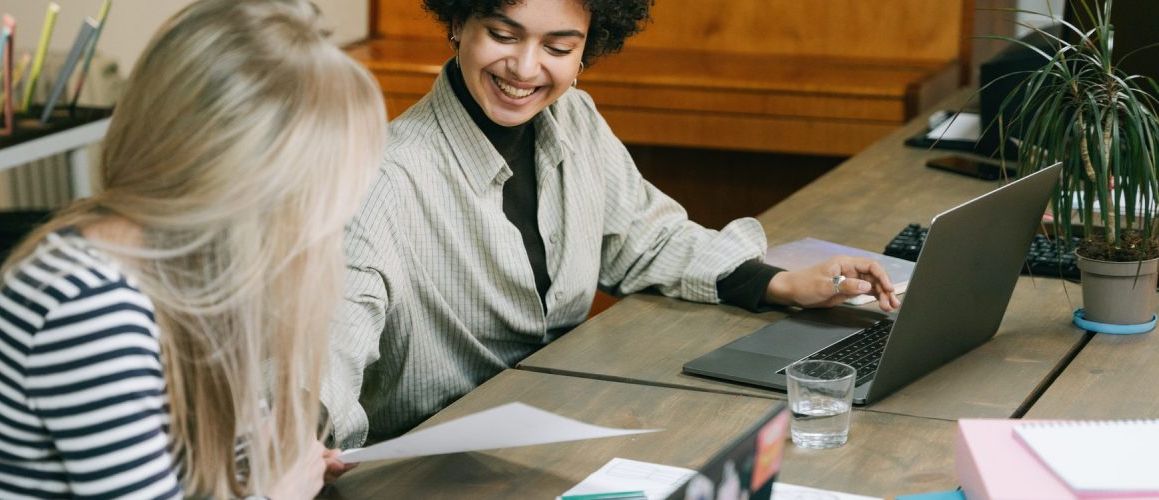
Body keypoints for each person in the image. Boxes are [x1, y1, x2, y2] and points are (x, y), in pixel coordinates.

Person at [322, 0, 900, 450]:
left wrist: (775, 282)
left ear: (586, 50)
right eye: (503, 34)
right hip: (433, 469)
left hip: (566, 425)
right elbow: (328, 350)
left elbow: (645, 237)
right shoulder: (382, 176)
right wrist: (303, 448)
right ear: (458, 23)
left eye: (558, 46)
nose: (525, 68)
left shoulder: (575, 117)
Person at [0, 0, 386, 497]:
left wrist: (272, 454)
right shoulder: (91, 308)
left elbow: (208, 449)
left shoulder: (184, 268)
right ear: (243, 187)